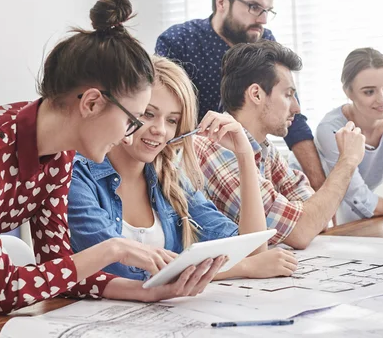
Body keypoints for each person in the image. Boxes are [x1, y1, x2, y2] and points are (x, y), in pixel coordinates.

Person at [0, 0, 224, 338]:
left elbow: (60, 272)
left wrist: (146, 292)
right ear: (90, 103)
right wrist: (114, 249)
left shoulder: (60, 157)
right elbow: (5, 294)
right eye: (132, 119)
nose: (130, 133)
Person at [67, 56, 297, 281]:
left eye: (172, 120)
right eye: (148, 114)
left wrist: (245, 155)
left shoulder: (170, 180)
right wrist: (242, 267)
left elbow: (252, 250)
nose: (160, 130)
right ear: (127, 111)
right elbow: (118, 270)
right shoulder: (77, 175)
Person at [155, 0, 327, 191]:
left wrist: (320, 188)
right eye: (254, 7)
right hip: (188, 172)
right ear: (222, 2)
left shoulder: (266, 44)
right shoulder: (179, 41)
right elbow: (162, 120)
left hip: (249, 162)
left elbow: (293, 120)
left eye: (268, 10)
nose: (263, 19)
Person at [194, 40, 366, 250]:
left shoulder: (265, 149)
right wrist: (347, 161)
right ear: (256, 94)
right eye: (288, 94)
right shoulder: (215, 146)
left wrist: (306, 217)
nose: (297, 107)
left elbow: (319, 220)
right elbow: (302, 231)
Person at [298, 48, 383, 224]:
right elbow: (358, 197)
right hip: (308, 205)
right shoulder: (331, 129)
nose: (382, 99)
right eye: (369, 92)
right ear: (348, 92)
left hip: (354, 215)